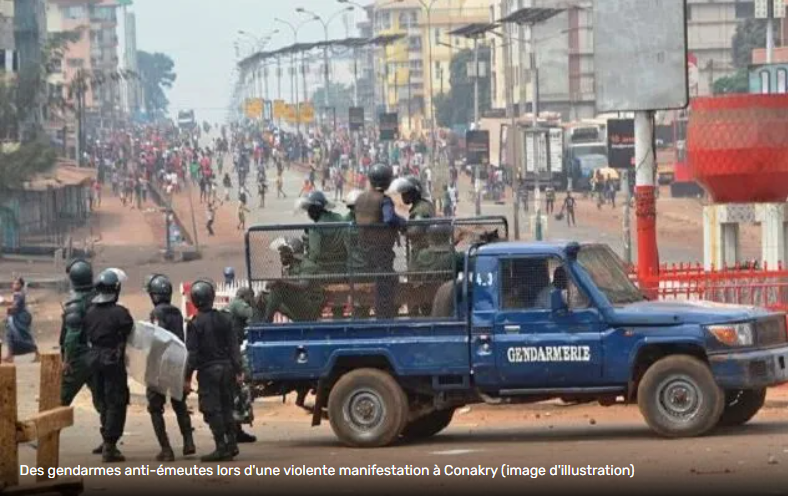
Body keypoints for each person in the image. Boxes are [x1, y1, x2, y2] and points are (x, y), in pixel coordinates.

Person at [185, 280, 242, 462]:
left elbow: (192, 354)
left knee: (211, 409)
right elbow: (234, 347)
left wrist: (187, 378)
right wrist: (238, 370)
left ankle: (221, 447)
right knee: (227, 406)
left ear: (195, 300)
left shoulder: (195, 324)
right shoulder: (225, 318)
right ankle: (232, 444)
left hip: (208, 371)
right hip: (227, 369)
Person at [83, 269, 134, 463]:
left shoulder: (90, 312)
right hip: (112, 360)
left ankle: (105, 439)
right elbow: (129, 331)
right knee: (116, 402)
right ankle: (110, 446)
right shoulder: (120, 313)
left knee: (103, 400)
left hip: (94, 359)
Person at [144, 274, 195, 462]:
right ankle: (188, 441)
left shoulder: (157, 313)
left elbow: (157, 338)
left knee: (155, 408)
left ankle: (166, 449)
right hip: (176, 362)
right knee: (179, 404)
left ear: (154, 295)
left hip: (160, 365)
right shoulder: (176, 312)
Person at [59, 260, 104, 454]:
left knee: (60, 397)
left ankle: (46, 436)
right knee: (102, 401)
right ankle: (108, 441)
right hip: (97, 355)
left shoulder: (75, 304)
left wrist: (67, 360)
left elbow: (71, 336)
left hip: (78, 358)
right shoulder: (99, 298)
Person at [355, 164, 405, 319]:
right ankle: (384, 316)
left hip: (362, 250)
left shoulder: (360, 198)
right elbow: (389, 218)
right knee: (386, 283)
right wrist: (402, 221)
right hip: (381, 250)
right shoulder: (384, 200)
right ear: (387, 181)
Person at [260, 238, 326, 323]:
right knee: (262, 298)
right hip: (298, 307)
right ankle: (258, 326)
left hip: (310, 308)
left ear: (291, 253)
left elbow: (303, 285)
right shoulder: (290, 268)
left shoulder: (307, 265)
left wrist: (280, 282)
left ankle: (266, 323)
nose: (281, 256)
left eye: (283, 253)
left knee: (278, 288)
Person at [225, 287, 257, 444]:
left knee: (236, 391)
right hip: (231, 353)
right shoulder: (238, 304)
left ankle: (236, 431)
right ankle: (232, 432)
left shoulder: (232, 305)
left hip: (230, 351)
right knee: (241, 386)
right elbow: (253, 316)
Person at [297, 191, 347, 276]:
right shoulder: (339, 218)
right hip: (342, 262)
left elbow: (314, 254)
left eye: (309, 210)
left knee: (299, 264)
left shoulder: (315, 228)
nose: (308, 213)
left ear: (313, 211)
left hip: (324, 265)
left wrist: (308, 243)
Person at [1, 277, 40, 363]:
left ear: (21, 285)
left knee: (23, 336)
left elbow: (15, 306)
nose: (14, 285)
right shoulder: (17, 293)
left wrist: (7, 307)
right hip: (16, 317)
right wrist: (5, 302)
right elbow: (13, 302)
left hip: (21, 317)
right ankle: (10, 356)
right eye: (14, 283)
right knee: (10, 335)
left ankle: (37, 354)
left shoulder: (19, 294)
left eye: (17, 283)